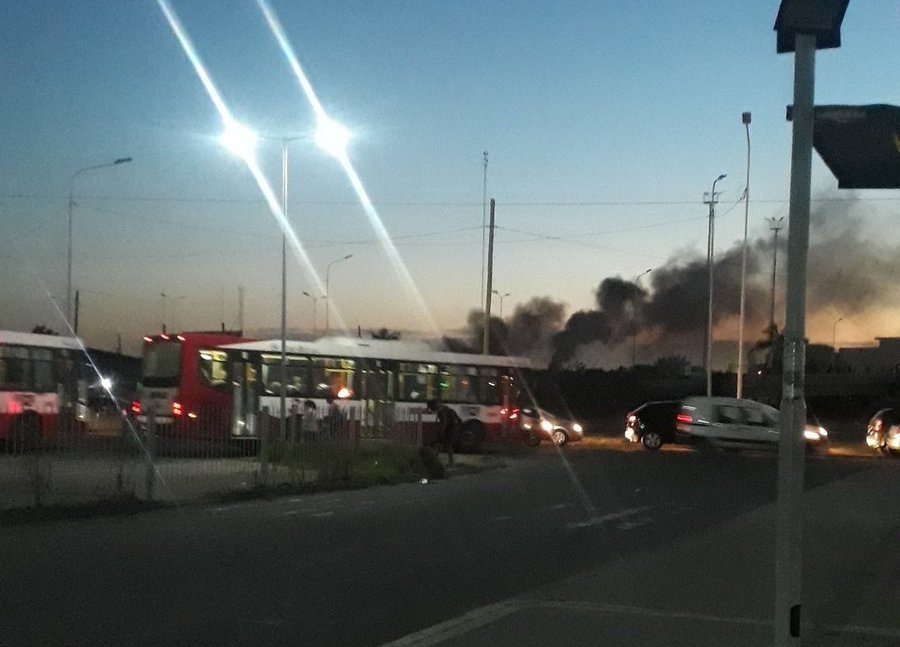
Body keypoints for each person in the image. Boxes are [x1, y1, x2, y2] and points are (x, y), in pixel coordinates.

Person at [426, 399, 461, 463]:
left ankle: (435, 459)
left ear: (434, 405)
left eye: (431, 407)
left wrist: (442, 430)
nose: (431, 409)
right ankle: (449, 461)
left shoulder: (442, 411)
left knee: (442, 443)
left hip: (449, 428)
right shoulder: (443, 408)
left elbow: (445, 422)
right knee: (446, 444)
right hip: (450, 428)